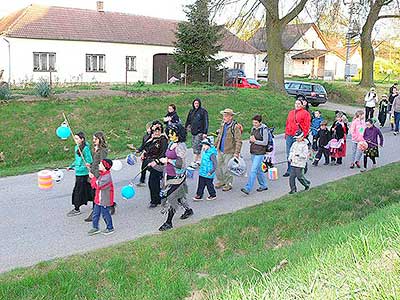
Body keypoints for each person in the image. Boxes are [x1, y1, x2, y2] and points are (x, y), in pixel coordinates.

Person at [158, 123, 193, 231]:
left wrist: (167, 160)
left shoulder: (180, 146)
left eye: (171, 133)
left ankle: (168, 222)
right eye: (169, 132)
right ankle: (188, 210)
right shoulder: (171, 143)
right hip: (169, 174)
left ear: (178, 134)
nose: (169, 134)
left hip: (177, 177)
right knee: (179, 196)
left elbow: (179, 163)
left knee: (172, 198)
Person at [214, 108, 243, 192]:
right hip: (220, 149)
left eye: (226, 116)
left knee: (227, 168)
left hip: (229, 151)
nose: (224, 117)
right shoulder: (223, 124)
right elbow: (219, 136)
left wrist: (236, 153)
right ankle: (221, 180)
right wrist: (214, 146)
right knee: (218, 166)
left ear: (231, 117)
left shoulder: (235, 127)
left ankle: (228, 183)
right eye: (223, 116)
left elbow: (238, 141)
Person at [241, 115, 270, 195]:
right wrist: (251, 141)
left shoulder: (264, 129)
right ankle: (263, 185)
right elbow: (252, 139)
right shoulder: (253, 128)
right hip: (253, 151)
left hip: (260, 152)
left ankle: (248, 188)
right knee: (258, 170)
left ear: (260, 122)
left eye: (256, 123)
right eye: (253, 122)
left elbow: (265, 142)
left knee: (253, 170)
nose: (254, 124)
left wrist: (255, 141)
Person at [67, 132, 93, 217]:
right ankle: (95, 204)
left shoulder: (85, 148)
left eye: (77, 138)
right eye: (75, 138)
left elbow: (89, 160)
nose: (75, 140)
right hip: (78, 172)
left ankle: (77, 208)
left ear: (82, 139)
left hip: (83, 174)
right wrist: (71, 166)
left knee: (78, 191)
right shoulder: (76, 147)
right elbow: (77, 160)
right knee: (87, 189)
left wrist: (83, 167)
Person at [85, 131, 109, 222]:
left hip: (98, 174)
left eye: (95, 139)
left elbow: (102, 163)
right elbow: (95, 161)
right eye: (93, 139)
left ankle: (95, 213)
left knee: (96, 193)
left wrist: (96, 174)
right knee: (94, 193)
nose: (93, 140)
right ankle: (110, 205)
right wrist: (90, 165)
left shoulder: (103, 150)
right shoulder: (95, 148)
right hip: (93, 172)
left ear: (100, 139)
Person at [142, 120, 168, 208]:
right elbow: (145, 147)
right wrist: (144, 154)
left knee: (154, 182)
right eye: (155, 130)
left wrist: (156, 161)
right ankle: (156, 199)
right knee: (153, 182)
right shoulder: (152, 138)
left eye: (158, 130)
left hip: (159, 164)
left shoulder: (163, 140)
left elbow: (163, 153)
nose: (157, 132)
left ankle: (156, 200)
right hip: (151, 163)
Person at [283, 100, 311, 177]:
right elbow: (287, 123)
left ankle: (302, 166)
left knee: (299, 152)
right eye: (296, 103)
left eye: (299, 104)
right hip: (289, 134)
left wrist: (303, 136)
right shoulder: (291, 112)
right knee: (289, 153)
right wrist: (286, 133)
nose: (297, 105)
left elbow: (307, 125)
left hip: (298, 136)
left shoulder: (305, 113)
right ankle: (290, 170)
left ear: (302, 105)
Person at [88, 159, 115, 236]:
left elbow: (98, 185)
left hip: (105, 200)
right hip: (98, 199)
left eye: (100, 164)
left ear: (105, 167)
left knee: (105, 214)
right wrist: (90, 170)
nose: (99, 165)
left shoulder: (107, 177)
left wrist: (92, 178)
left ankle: (110, 228)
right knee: (95, 213)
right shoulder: (102, 174)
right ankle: (95, 227)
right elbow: (95, 184)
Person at [184, 98, 209, 168]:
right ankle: (199, 160)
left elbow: (206, 122)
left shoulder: (203, 111)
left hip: (200, 131)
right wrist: (186, 127)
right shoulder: (191, 111)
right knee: (195, 145)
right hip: (193, 131)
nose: (196, 105)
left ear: (199, 104)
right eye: (195, 103)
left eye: (197, 103)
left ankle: (194, 161)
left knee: (196, 146)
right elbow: (188, 120)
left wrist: (205, 132)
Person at [135, 122, 152, 187]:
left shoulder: (153, 137)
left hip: (151, 155)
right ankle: (142, 181)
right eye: (148, 128)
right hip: (146, 155)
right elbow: (143, 146)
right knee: (143, 168)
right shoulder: (145, 137)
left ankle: (160, 179)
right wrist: (138, 150)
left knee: (152, 169)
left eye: (150, 128)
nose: (149, 130)